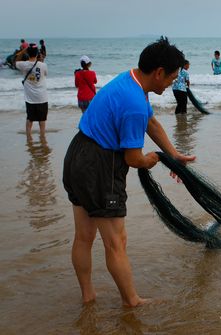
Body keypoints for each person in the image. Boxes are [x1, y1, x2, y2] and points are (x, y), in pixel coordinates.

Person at [62, 37, 196, 307]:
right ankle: (131, 301)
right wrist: (150, 160)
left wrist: (173, 153)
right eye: (171, 77)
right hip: (100, 166)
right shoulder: (134, 102)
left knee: (84, 237)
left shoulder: (131, 79)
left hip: (77, 153)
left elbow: (151, 122)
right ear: (158, 72)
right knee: (116, 242)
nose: (172, 83)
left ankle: (88, 297)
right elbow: (133, 158)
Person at [15, 43, 49, 138]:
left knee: (29, 119)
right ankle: (42, 137)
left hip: (30, 99)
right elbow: (45, 74)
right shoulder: (43, 65)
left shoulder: (23, 64)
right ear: (37, 53)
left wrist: (23, 50)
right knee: (42, 120)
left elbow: (16, 60)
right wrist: (40, 59)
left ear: (27, 53)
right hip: (42, 97)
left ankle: (28, 138)